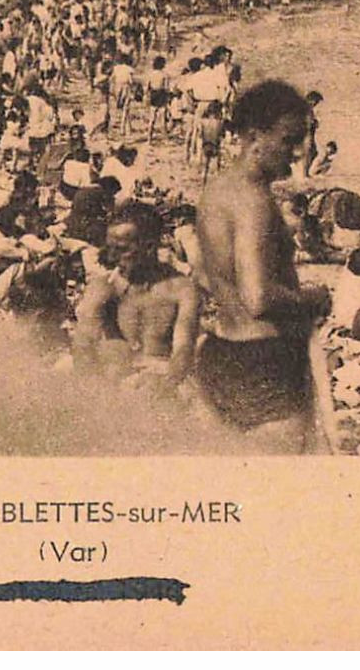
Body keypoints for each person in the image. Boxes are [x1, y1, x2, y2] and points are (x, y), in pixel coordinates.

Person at [192, 80, 334, 453]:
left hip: (220, 353)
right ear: (255, 137)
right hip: (265, 361)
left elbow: (205, 275)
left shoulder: (216, 192)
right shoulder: (254, 202)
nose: (298, 151)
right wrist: (313, 298)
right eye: (288, 140)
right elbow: (257, 298)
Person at [72, 201, 203, 378]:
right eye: (110, 248)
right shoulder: (105, 287)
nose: (111, 257)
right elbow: (84, 346)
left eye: (121, 249)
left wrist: (165, 382)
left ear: (149, 247)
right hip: (114, 379)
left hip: (162, 377)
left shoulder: (182, 290)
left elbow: (183, 351)